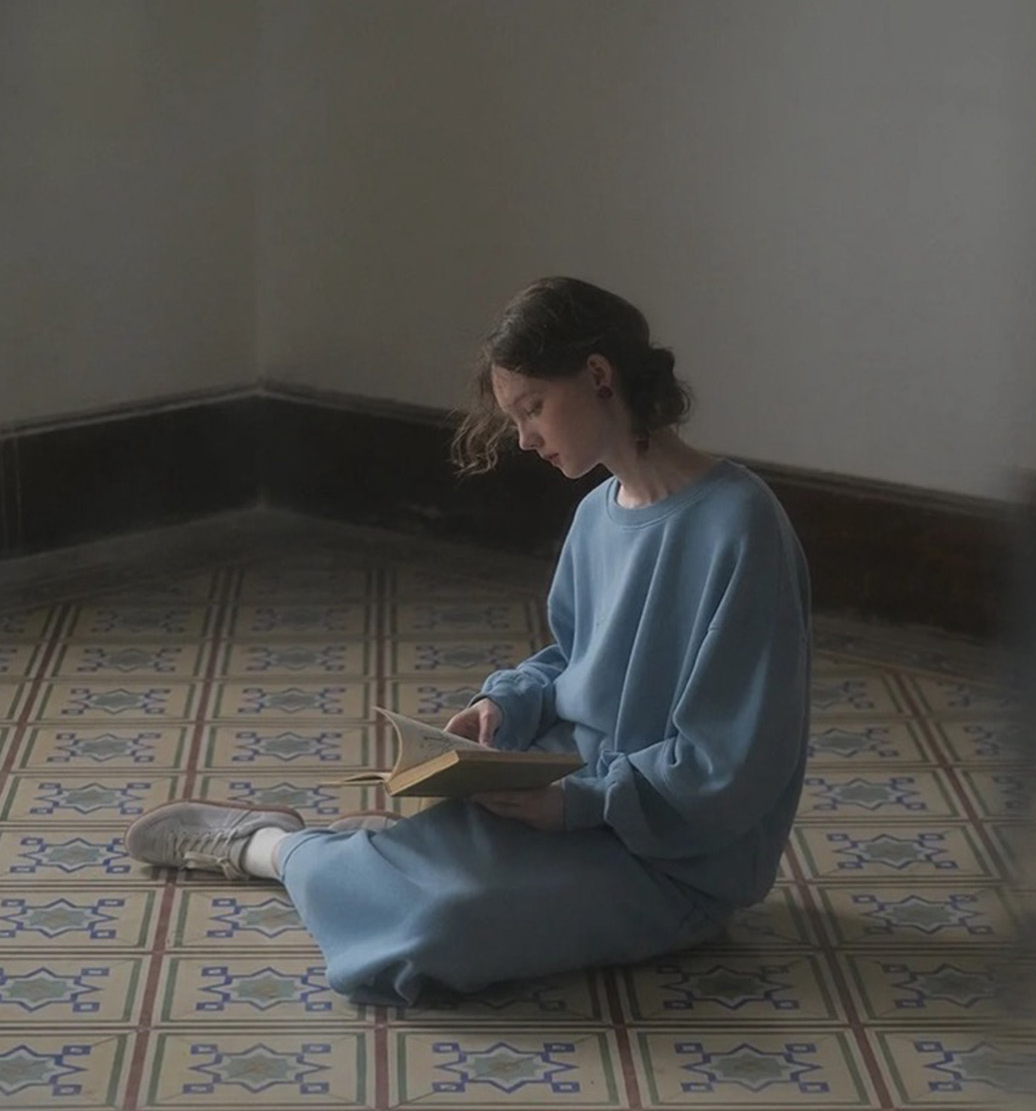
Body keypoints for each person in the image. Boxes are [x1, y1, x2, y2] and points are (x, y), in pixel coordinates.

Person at [125, 276, 812, 1007]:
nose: (524, 438)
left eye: (533, 408)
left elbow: (732, 763)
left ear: (599, 375)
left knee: (442, 931)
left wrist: (575, 806)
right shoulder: (597, 513)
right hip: (570, 788)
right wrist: (505, 705)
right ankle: (360, 852)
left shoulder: (740, 526)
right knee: (445, 871)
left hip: (675, 855)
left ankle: (271, 848)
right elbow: (572, 660)